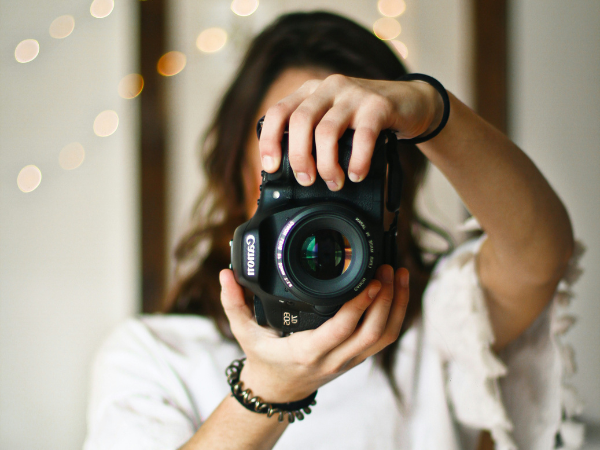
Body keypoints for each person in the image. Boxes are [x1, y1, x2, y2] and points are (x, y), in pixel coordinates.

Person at [83, 11, 585, 450]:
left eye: (348, 144)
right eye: (289, 142)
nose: (320, 168)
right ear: (236, 163)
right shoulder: (155, 353)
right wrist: (269, 389)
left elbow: (541, 256)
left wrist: (432, 111)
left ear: (396, 176)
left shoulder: (432, 324)